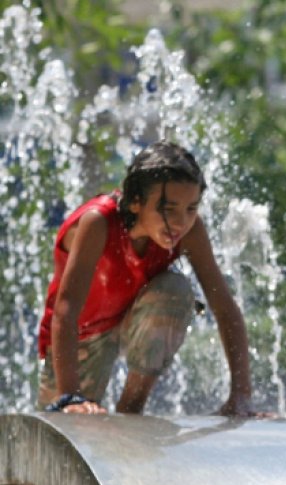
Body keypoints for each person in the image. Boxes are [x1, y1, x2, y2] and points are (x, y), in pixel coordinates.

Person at [37, 141, 259, 417]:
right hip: (80, 335)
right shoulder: (98, 223)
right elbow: (66, 310)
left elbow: (225, 308)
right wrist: (69, 396)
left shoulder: (189, 232)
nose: (181, 222)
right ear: (135, 203)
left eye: (191, 208)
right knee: (67, 425)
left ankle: (132, 406)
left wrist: (242, 396)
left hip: (132, 320)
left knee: (175, 290)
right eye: (169, 209)